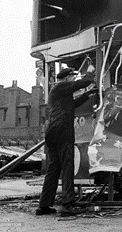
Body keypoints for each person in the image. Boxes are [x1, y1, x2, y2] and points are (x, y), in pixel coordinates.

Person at [36, 65, 96, 217]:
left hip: (52, 130)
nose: (73, 80)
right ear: (67, 78)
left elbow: (72, 105)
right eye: (72, 77)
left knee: (54, 168)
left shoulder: (58, 93)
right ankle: (68, 204)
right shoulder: (62, 86)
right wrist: (89, 72)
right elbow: (82, 83)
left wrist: (87, 95)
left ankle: (44, 205)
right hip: (62, 128)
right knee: (68, 164)